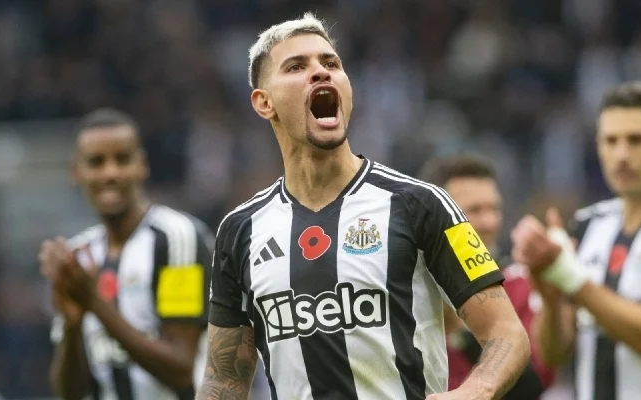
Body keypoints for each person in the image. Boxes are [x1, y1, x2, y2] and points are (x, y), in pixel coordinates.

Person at [197, 13, 530, 400]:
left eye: (331, 63)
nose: (320, 72)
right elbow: (224, 377)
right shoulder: (240, 231)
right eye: (296, 66)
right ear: (263, 102)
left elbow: (507, 332)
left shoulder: (420, 205)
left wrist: (476, 390)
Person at [510, 81, 641, 400]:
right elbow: (553, 354)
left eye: (636, 140)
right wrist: (549, 293)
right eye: (610, 141)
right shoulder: (587, 224)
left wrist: (571, 280)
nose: (622, 155)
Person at [39, 108, 215, 399]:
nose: (110, 173)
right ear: (76, 171)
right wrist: (72, 325)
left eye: (122, 159)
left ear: (142, 165)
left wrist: (95, 303)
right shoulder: (79, 256)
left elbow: (182, 370)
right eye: (96, 162)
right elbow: (69, 393)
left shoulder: (177, 239)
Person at [419, 156, 555, 399]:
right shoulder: (404, 289)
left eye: (494, 209)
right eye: (473, 211)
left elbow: (534, 385)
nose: (490, 222)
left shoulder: (517, 286)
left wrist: (462, 329)